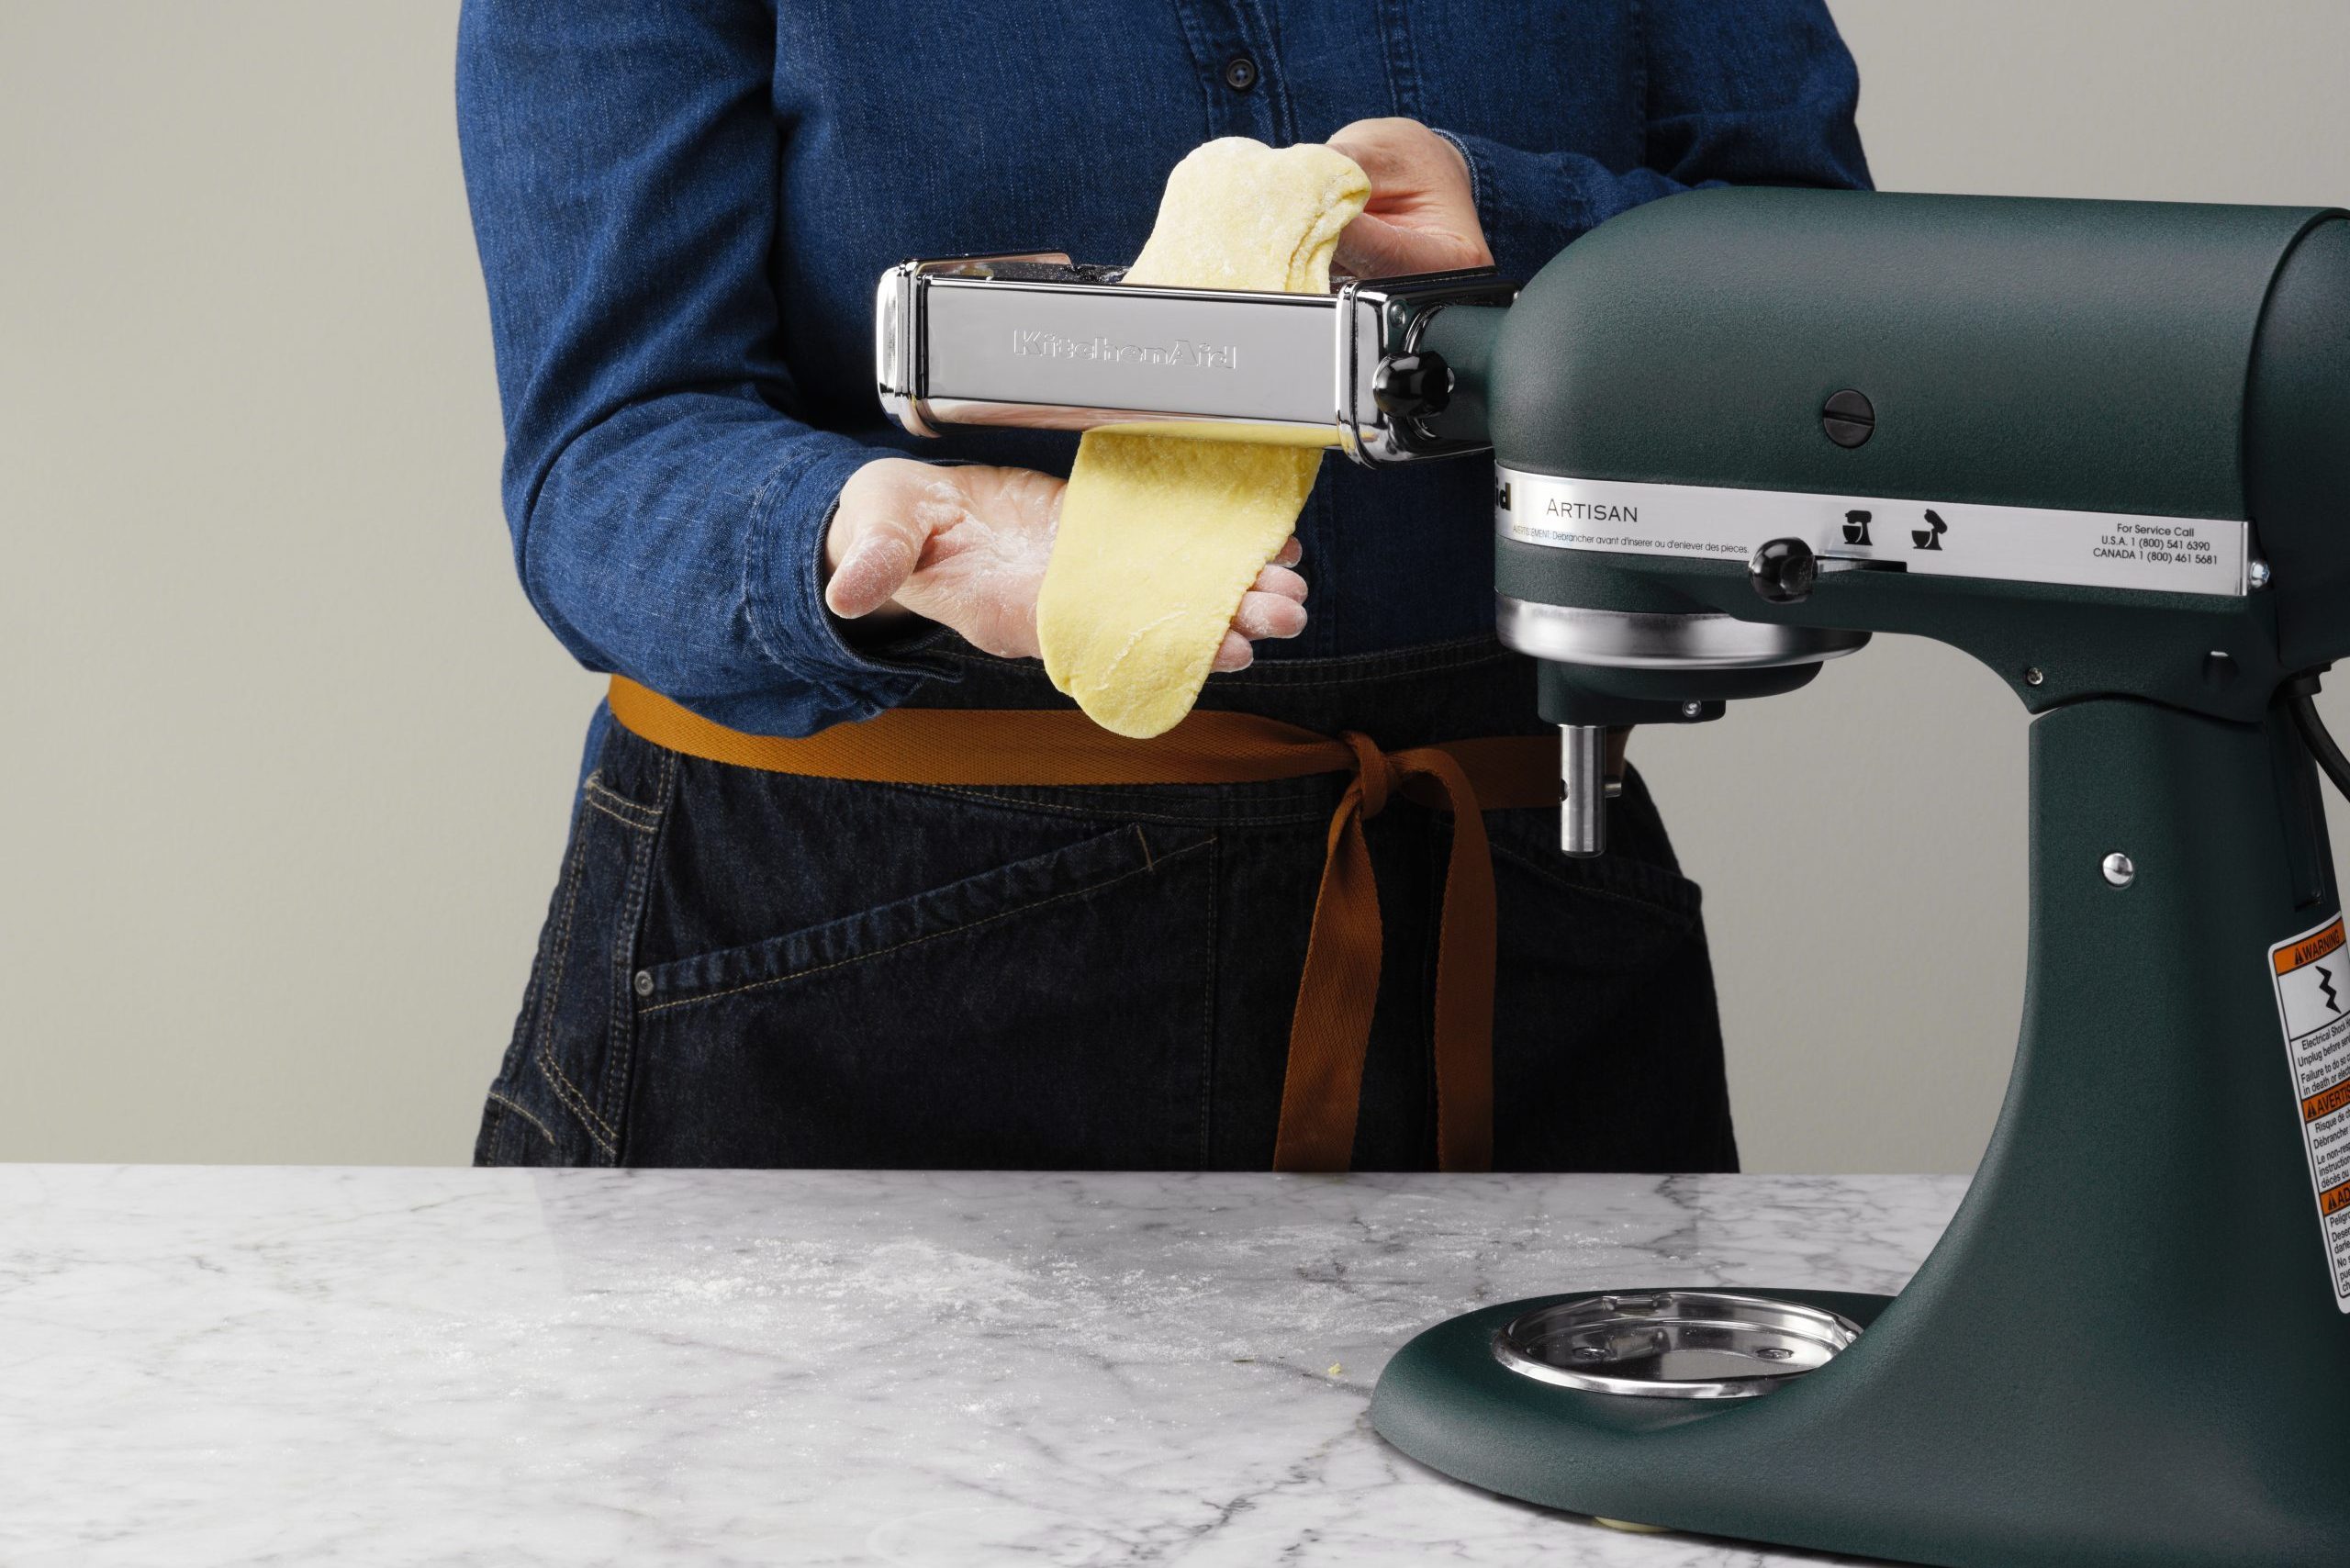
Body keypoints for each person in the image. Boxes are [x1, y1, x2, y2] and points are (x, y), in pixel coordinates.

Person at [454, 0, 1870, 1171]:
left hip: (1506, 930)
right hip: (844, 970)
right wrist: (872, 531)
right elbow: (606, 457)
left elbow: (1842, 333)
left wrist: (1518, 227)